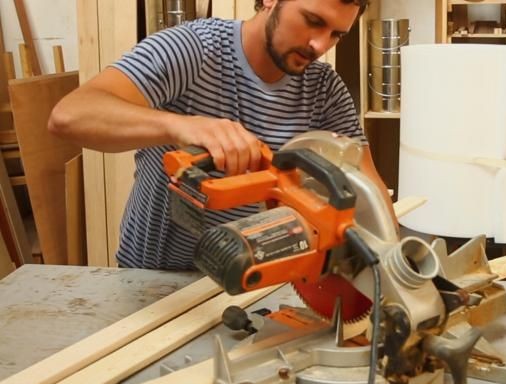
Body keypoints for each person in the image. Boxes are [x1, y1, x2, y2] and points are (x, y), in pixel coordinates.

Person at [48, 0, 394, 270]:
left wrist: (398, 263)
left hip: (249, 273)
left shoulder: (324, 88)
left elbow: (368, 186)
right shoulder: (194, 49)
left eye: (336, 34)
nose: (320, 45)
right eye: (313, 20)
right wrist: (183, 125)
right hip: (157, 276)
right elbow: (70, 115)